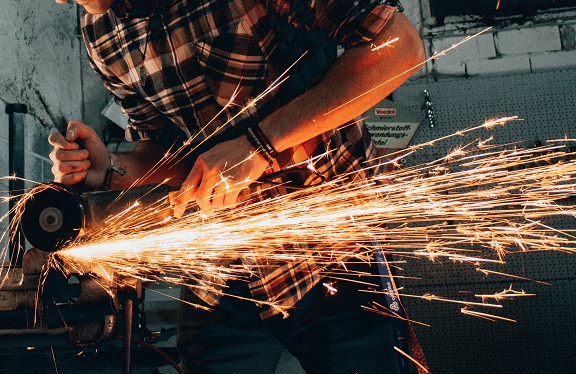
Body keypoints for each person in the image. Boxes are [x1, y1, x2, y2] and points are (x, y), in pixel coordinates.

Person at [49, 0, 425, 373]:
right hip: (221, 258)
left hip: (326, 244)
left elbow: (401, 46)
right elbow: (168, 151)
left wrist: (260, 145)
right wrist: (113, 169)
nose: (61, 1)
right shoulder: (101, 32)